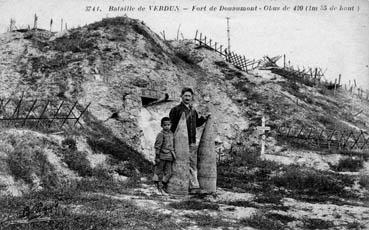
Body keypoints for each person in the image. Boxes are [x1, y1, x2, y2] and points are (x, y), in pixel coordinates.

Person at [169, 87, 210, 194]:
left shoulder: (193, 111)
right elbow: (171, 127)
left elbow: (197, 124)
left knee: (192, 164)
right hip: (180, 143)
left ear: (192, 97)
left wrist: (204, 118)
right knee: (179, 163)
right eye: (185, 95)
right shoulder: (175, 110)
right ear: (181, 96)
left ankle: (193, 187)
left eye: (189, 96)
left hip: (191, 142)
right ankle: (176, 185)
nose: (187, 98)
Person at [152, 117, 176, 192]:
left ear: (171, 125)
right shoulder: (160, 134)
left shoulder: (171, 134)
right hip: (162, 156)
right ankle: (156, 186)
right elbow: (157, 146)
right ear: (161, 125)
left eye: (168, 125)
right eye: (165, 125)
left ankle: (163, 185)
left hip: (169, 157)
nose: (167, 126)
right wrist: (157, 157)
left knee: (169, 173)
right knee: (158, 171)